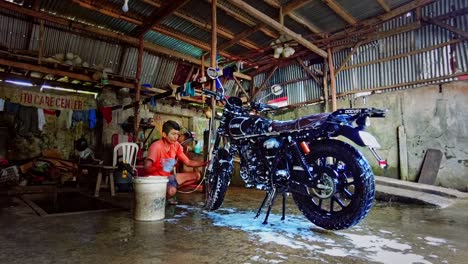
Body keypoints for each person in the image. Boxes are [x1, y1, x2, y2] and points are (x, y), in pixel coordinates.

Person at [144, 120, 207, 204]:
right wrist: (161, 166)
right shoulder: (156, 146)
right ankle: (168, 192)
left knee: (197, 176)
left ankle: (170, 189)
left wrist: (205, 163)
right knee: (171, 191)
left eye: (177, 134)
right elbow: (146, 169)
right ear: (164, 134)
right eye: (173, 134)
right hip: (155, 181)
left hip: (168, 178)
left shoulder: (176, 145)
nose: (176, 137)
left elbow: (187, 162)